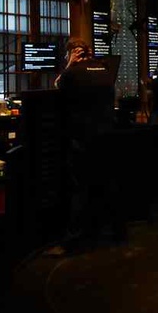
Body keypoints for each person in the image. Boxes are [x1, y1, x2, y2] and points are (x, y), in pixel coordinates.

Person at [51, 38, 122, 253]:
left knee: (80, 187)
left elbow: (58, 88)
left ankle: (74, 240)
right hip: (107, 135)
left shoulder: (71, 73)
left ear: (71, 53)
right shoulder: (105, 69)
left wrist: (70, 65)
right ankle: (117, 231)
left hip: (82, 138)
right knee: (108, 184)